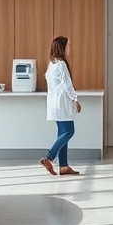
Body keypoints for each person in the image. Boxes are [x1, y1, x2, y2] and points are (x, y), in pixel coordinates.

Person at [41, 36, 81, 176]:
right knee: (69, 132)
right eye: (68, 45)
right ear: (62, 47)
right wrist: (75, 99)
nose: (70, 48)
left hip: (55, 105)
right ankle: (49, 157)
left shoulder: (52, 64)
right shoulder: (61, 64)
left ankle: (63, 166)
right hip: (62, 104)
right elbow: (67, 84)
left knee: (62, 133)